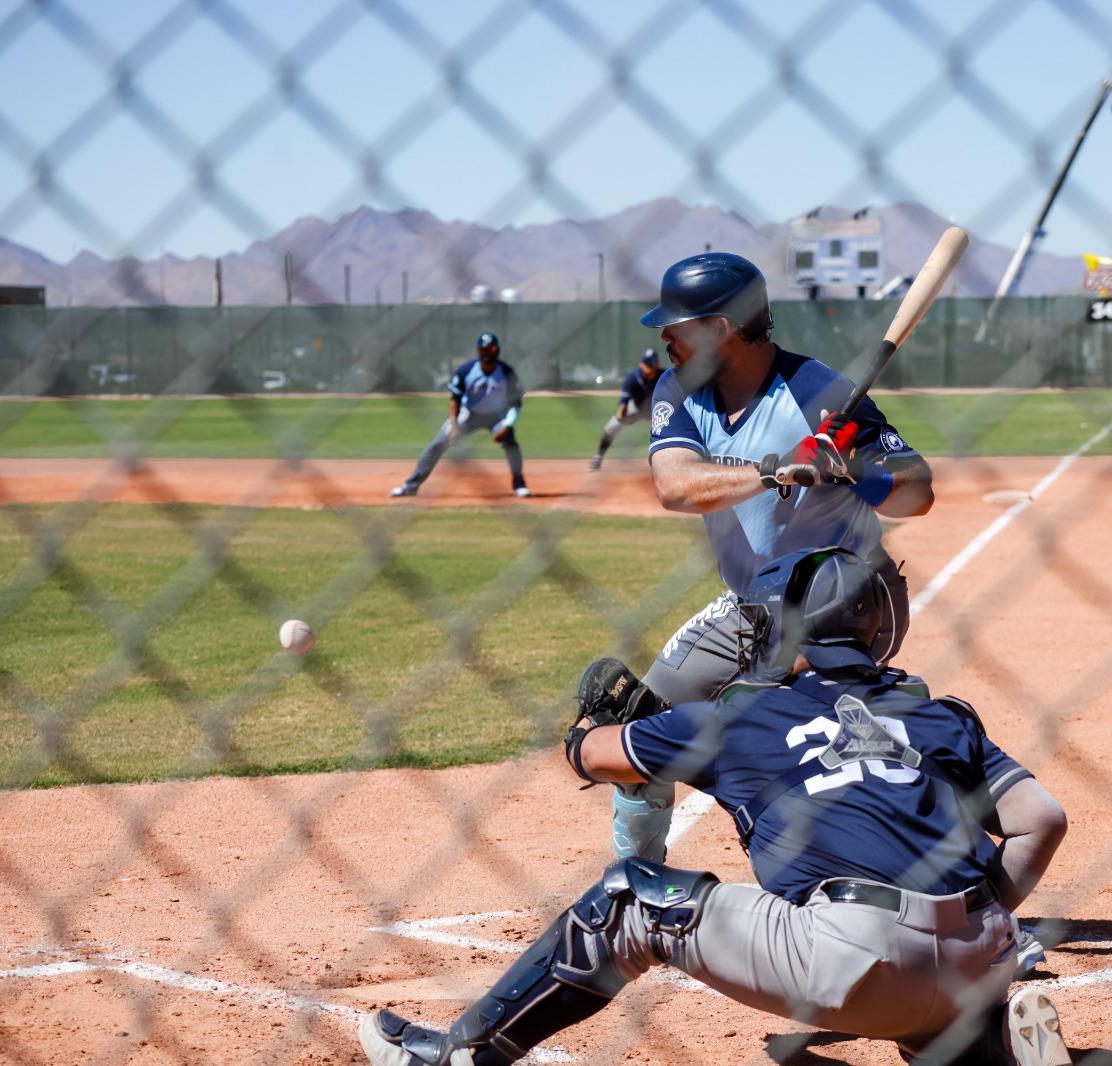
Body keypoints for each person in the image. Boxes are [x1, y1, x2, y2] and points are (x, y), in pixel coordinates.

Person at [359, 547, 1071, 1066]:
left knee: (629, 901)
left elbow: (594, 756)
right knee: (928, 992)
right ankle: (985, 1043)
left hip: (857, 960)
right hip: (988, 958)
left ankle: (459, 1055)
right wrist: (967, 923)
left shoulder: (739, 717)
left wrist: (588, 727)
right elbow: (1042, 821)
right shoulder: (940, 715)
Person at [609, 250, 932, 860]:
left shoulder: (818, 391)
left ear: (719, 328)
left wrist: (855, 470)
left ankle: (898, 782)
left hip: (847, 602)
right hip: (751, 602)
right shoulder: (678, 389)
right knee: (638, 719)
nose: (665, 339)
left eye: (676, 327)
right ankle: (637, 882)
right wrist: (775, 470)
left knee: (776, 727)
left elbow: (919, 493)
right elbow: (675, 486)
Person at [390, 332, 530, 499]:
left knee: (511, 444)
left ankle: (519, 484)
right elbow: (455, 400)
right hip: (469, 413)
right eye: (483, 349)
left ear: (497, 351)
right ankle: (411, 486)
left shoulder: (507, 372)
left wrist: (508, 425)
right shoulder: (466, 370)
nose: (487, 353)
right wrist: (455, 426)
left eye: (491, 349)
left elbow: (516, 402)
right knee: (437, 444)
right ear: (478, 351)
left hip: (497, 415)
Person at [587, 348, 662, 471]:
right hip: (636, 408)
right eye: (648, 364)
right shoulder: (632, 378)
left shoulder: (663, 375)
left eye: (652, 365)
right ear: (641, 364)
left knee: (672, 427)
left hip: (656, 410)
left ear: (657, 365)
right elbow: (624, 401)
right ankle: (598, 457)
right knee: (611, 427)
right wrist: (621, 413)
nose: (650, 368)